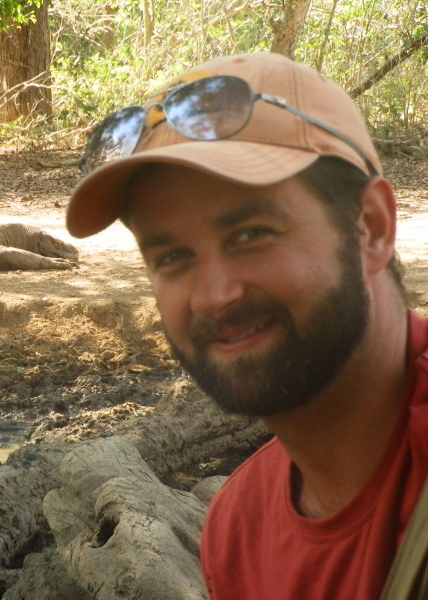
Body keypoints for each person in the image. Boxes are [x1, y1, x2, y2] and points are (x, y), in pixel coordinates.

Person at [65, 52, 428, 600]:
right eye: (172, 257)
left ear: (372, 228)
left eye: (251, 235)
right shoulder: (237, 527)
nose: (214, 297)